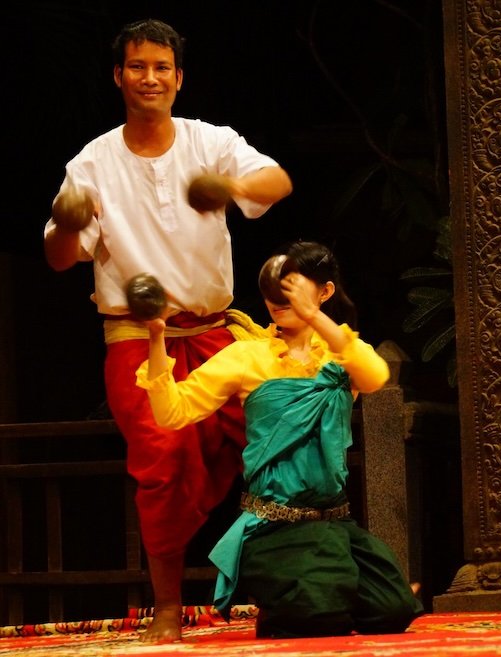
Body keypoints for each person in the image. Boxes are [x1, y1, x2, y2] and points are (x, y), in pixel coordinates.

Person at [42, 19, 293, 642]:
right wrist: (68, 224)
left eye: (161, 66)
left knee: (277, 430)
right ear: (118, 77)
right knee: (160, 462)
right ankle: (166, 607)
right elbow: (57, 256)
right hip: (137, 339)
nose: (149, 77)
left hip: (215, 333)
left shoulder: (210, 141)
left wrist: (229, 186)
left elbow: (278, 182)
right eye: (136, 66)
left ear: (179, 78)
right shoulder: (93, 162)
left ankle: (290, 584)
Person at [136, 240, 424, 638]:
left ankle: (331, 593)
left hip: (333, 523)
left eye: (293, 288)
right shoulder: (247, 356)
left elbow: (374, 376)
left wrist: (316, 319)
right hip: (273, 526)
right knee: (320, 617)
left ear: (324, 292)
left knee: (393, 612)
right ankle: (302, 599)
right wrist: (155, 337)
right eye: (274, 291)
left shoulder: (338, 352)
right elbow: (172, 411)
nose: (279, 300)